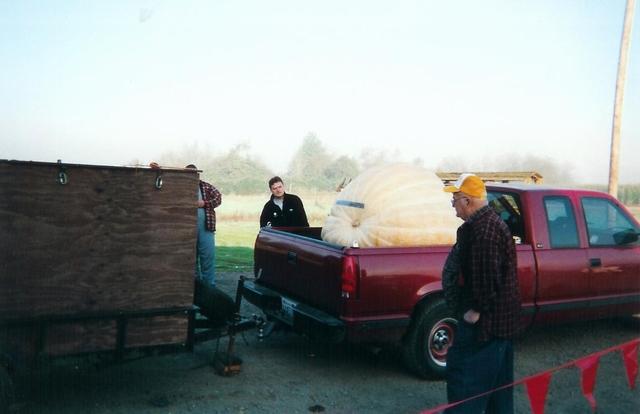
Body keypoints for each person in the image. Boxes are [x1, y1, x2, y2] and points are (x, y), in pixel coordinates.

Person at [442, 173, 521, 414]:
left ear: (467, 201)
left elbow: (488, 277)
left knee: (467, 386)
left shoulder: (484, 230)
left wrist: (475, 311)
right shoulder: (484, 224)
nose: (453, 206)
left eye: (455, 200)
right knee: (498, 392)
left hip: (485, 326)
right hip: (499, 325)